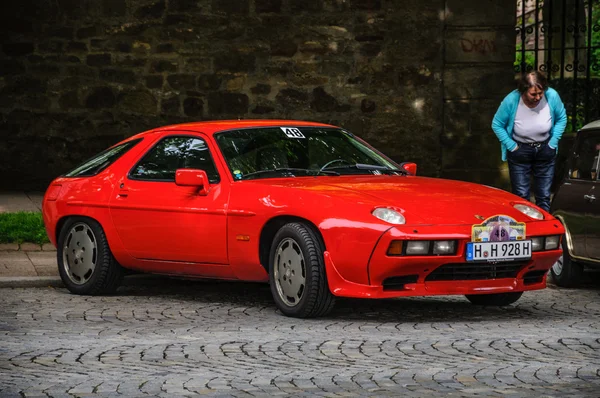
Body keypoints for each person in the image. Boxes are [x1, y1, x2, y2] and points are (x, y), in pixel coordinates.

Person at [491, 71, 567, 212]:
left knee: (544, 196)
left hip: (545, 149)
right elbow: (497, 124)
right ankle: (526, 231)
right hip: (520, 151)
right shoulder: (511, 100)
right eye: (533, 94)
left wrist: (553, 142)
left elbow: (562, 118)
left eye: (540, 93)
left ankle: (544, 232)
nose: (538, 97)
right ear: (523, 90)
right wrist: (512, 146)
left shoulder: (552, 96)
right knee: (521, 197)